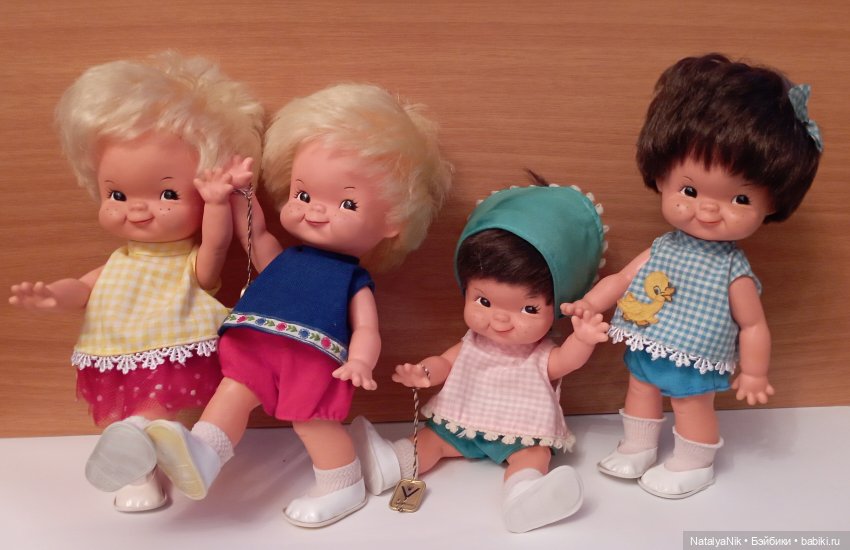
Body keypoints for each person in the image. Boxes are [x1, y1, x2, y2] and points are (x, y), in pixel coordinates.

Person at [143, 83, 453, 527]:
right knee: (232, 391)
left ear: (392, 222)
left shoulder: (352, 279)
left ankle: (342, 483)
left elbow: (367, 327)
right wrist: (241, 194)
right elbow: (256, 236)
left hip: (313, 361)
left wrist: (361, 362)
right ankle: (204, 454)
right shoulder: (285, 258)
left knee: (312, 420)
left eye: (346, 203)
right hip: (261, 350)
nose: (314, 211)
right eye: (303, 195)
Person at [8, 51, 264, 511]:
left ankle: (135, 443)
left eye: (167, 193)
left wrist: (216, 203)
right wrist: (53, 296)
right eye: (117, 194)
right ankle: (138, 475)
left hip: (171, 347)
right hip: (113, 350)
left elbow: (217, 247)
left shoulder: (189, 264)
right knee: (124, 411)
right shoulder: (117, 262)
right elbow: (83, 287)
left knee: (146, 411)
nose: (138, 209)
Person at [562, 53, 823, 499]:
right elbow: (623, 279)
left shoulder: (732, 269)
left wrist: (755, 371)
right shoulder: (663, 247)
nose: (707, 209)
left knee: (690, 403)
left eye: (740, 199)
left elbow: (753, 324)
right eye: (690, 189)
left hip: (696, 354)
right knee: (640, 387)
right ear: (661, 177)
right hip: (649, 339)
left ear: (772, 204)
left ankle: (693, 461)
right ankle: (638, 446)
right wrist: (590, 303)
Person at [352, 177, 608, 533]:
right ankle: (391, 465)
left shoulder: (540, 354)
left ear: (559, 305)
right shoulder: (472, 342)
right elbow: (446, 362)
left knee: (534, 456)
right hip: (461, 423)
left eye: (529, 309)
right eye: (484, 301)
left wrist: (583, 339)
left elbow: (566, 360)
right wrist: (424, 373)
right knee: (431, 441)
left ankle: (524, 495)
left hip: (521, 433)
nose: (500, 320)